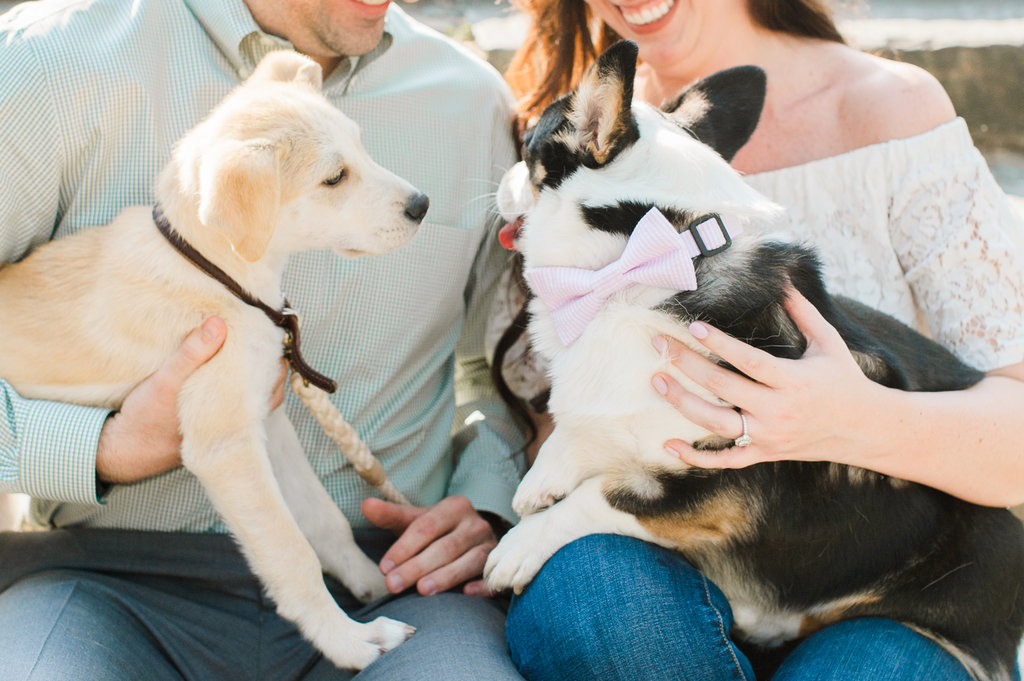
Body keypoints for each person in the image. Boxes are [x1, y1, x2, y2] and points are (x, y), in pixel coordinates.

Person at [488, 0, 1024, 679]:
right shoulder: (568, 120)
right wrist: (482, 502)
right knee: (594, 609)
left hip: (892, 580)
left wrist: (855, 420)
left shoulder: (893, 109)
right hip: (661, 542)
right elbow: (534, 410)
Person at [0, 0, 528, 679]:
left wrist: (488, 496)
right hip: (103, 578)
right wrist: (97, 448)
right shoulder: (46, 65)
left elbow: (504, 360)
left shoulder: (471, 100)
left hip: (396, 579)